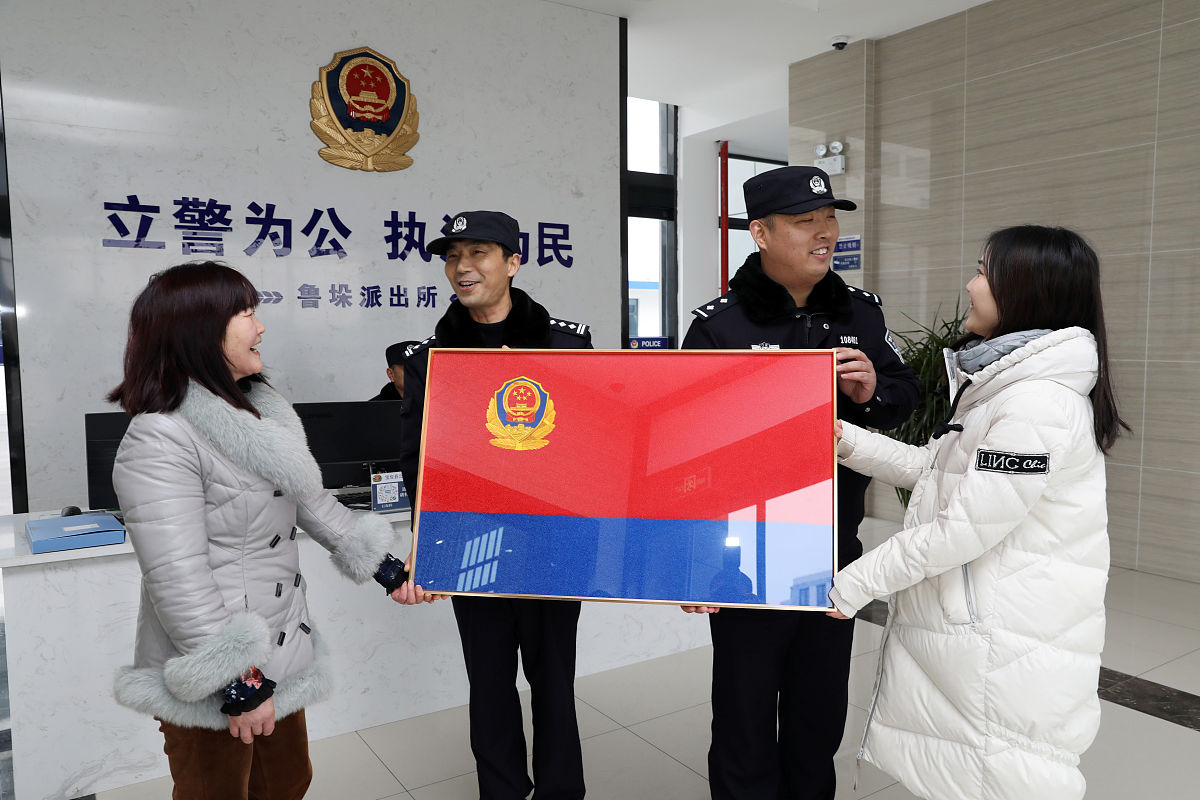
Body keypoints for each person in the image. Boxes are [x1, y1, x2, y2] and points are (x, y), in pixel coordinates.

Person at [826, 226, 1126, 800]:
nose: (969, 284)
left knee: (1007, 773)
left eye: (984, 272)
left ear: (1025, 289)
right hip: (995, 626)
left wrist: (850, 586)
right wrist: (843, 440)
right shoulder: (1005, 387)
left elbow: (959, 529)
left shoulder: (1035, 403)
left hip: (1009, 639)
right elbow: (935, 470)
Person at [109, 261, 409, 800]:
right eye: (246, 313)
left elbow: (315, 506)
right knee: (220, 791)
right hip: (215, 668)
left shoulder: (263, 412)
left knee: (288, 782)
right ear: (200, 330)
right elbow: (176, 577)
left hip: (278, 650)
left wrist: (389, 568)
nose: (260, 326)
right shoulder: (160, 435)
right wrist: (237, 681)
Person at [681, 165, 920, 800]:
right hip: (743, 555)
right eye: (804, 222)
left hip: (833, 550)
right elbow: (685, 452)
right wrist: (694, 559)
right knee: (744, 718)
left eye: (829, 220)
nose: (824, 235)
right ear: (760, 232)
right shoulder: (717, 327)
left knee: (818, 718)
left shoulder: (860, 312)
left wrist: (872, 391)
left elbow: (903, 393)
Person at [392, 210, 592, 800]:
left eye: (478, 253)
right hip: (470, 544)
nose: (462, 267)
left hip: (554, 544)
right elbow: (416, 458)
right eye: (453, 257)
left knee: (554, 683)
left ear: (513, 262)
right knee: (489, 684)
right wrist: (426, 545)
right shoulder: (432, 358)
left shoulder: (566, 342)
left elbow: (592, 445)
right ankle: (501, 790)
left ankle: (562, 790)